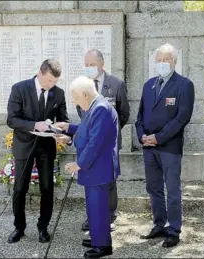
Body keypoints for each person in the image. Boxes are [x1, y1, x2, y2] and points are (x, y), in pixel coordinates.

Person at [135, 43, 195, 248]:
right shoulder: (149, 84)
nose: (161, 63)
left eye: (166, 59)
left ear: (174, 61)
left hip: (169, 147)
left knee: (172, 189)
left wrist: (158, 137)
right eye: (158, 60)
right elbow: (140, 116)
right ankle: (159, 224)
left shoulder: (184, 85)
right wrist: (142, 135)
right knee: (153, 188)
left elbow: (182, 118)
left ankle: (174, 229)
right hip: (149, 147)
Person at [54, 76, 119, 258]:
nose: (73, 100)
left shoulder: (100, 108)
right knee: (94, 206)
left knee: (98, 206)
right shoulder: (94, 106)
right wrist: (68, 127)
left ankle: (103, 246)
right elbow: (86, 129)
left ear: (84, 94)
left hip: (98, 167)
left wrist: (79, 164)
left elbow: (95, 142)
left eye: (75, 97)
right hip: (95, 167)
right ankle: (98, 237)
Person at [6, 59, 70, 244]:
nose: (52, 85)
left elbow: (63, 119)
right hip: (24, 145)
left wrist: (59, 129)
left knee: (47, 188)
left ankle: (43, 227)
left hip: (46, 148)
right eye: (49, 80)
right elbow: (12, 120)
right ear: (40, 73)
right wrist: (35, 125)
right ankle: (19, 227)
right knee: (20, 188)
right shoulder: (19, 88)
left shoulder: (59, 93)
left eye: (55, 82)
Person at [77, 49, 130, 231]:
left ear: (102, 64)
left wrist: (107, 132)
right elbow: (83, 114)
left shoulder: (116, 84)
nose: (89, 68)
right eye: (87, 65)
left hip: (109, 143)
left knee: (108, 178)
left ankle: (109, 215)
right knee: (92, 177)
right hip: (90, 141)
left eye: (92, 64)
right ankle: (93, 216)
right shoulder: (83, 86)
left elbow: (123, 113)